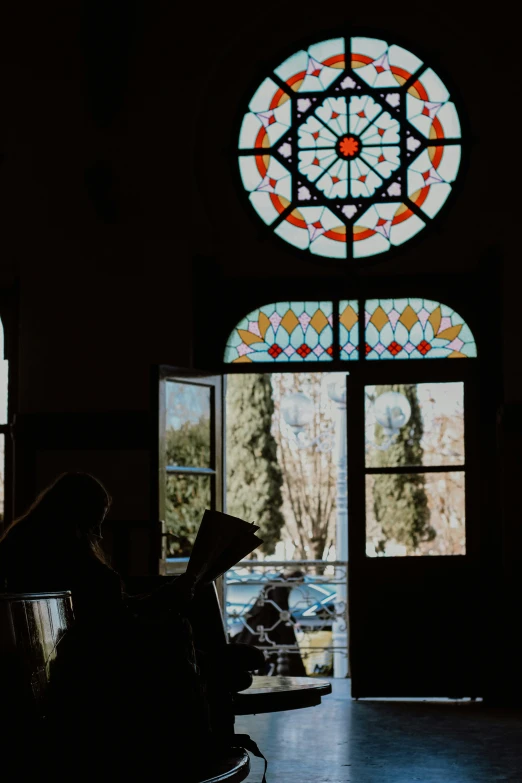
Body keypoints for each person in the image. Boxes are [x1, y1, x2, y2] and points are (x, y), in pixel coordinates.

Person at [0, 472, 263, 778]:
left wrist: (161, 597)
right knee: (179, 632)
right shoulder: (71, 555)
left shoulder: (28, 544)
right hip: (99, 671)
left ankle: (209, 667)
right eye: (96, 518)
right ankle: (205, 693)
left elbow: (106, 616)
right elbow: (113, 627)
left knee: (184, 638)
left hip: (77, 662)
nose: (98, 530)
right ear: (78, 515)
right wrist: (166, 603)